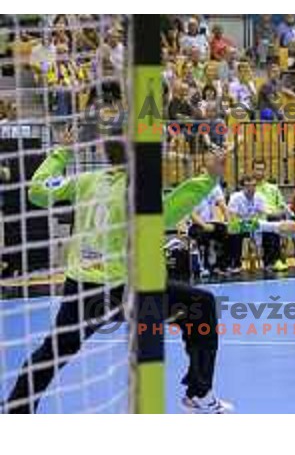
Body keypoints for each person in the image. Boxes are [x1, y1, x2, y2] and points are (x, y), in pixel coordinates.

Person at [5, 130, 230, 414]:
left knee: (53, 352)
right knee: (201, 305)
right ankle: (199, 391)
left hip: (81, 286)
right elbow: (169, 212)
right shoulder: (137, 190)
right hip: (123, 290)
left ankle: (15, 411)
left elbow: (37, 192)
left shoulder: (85, 181)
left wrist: (62, 152)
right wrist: (209, 178)